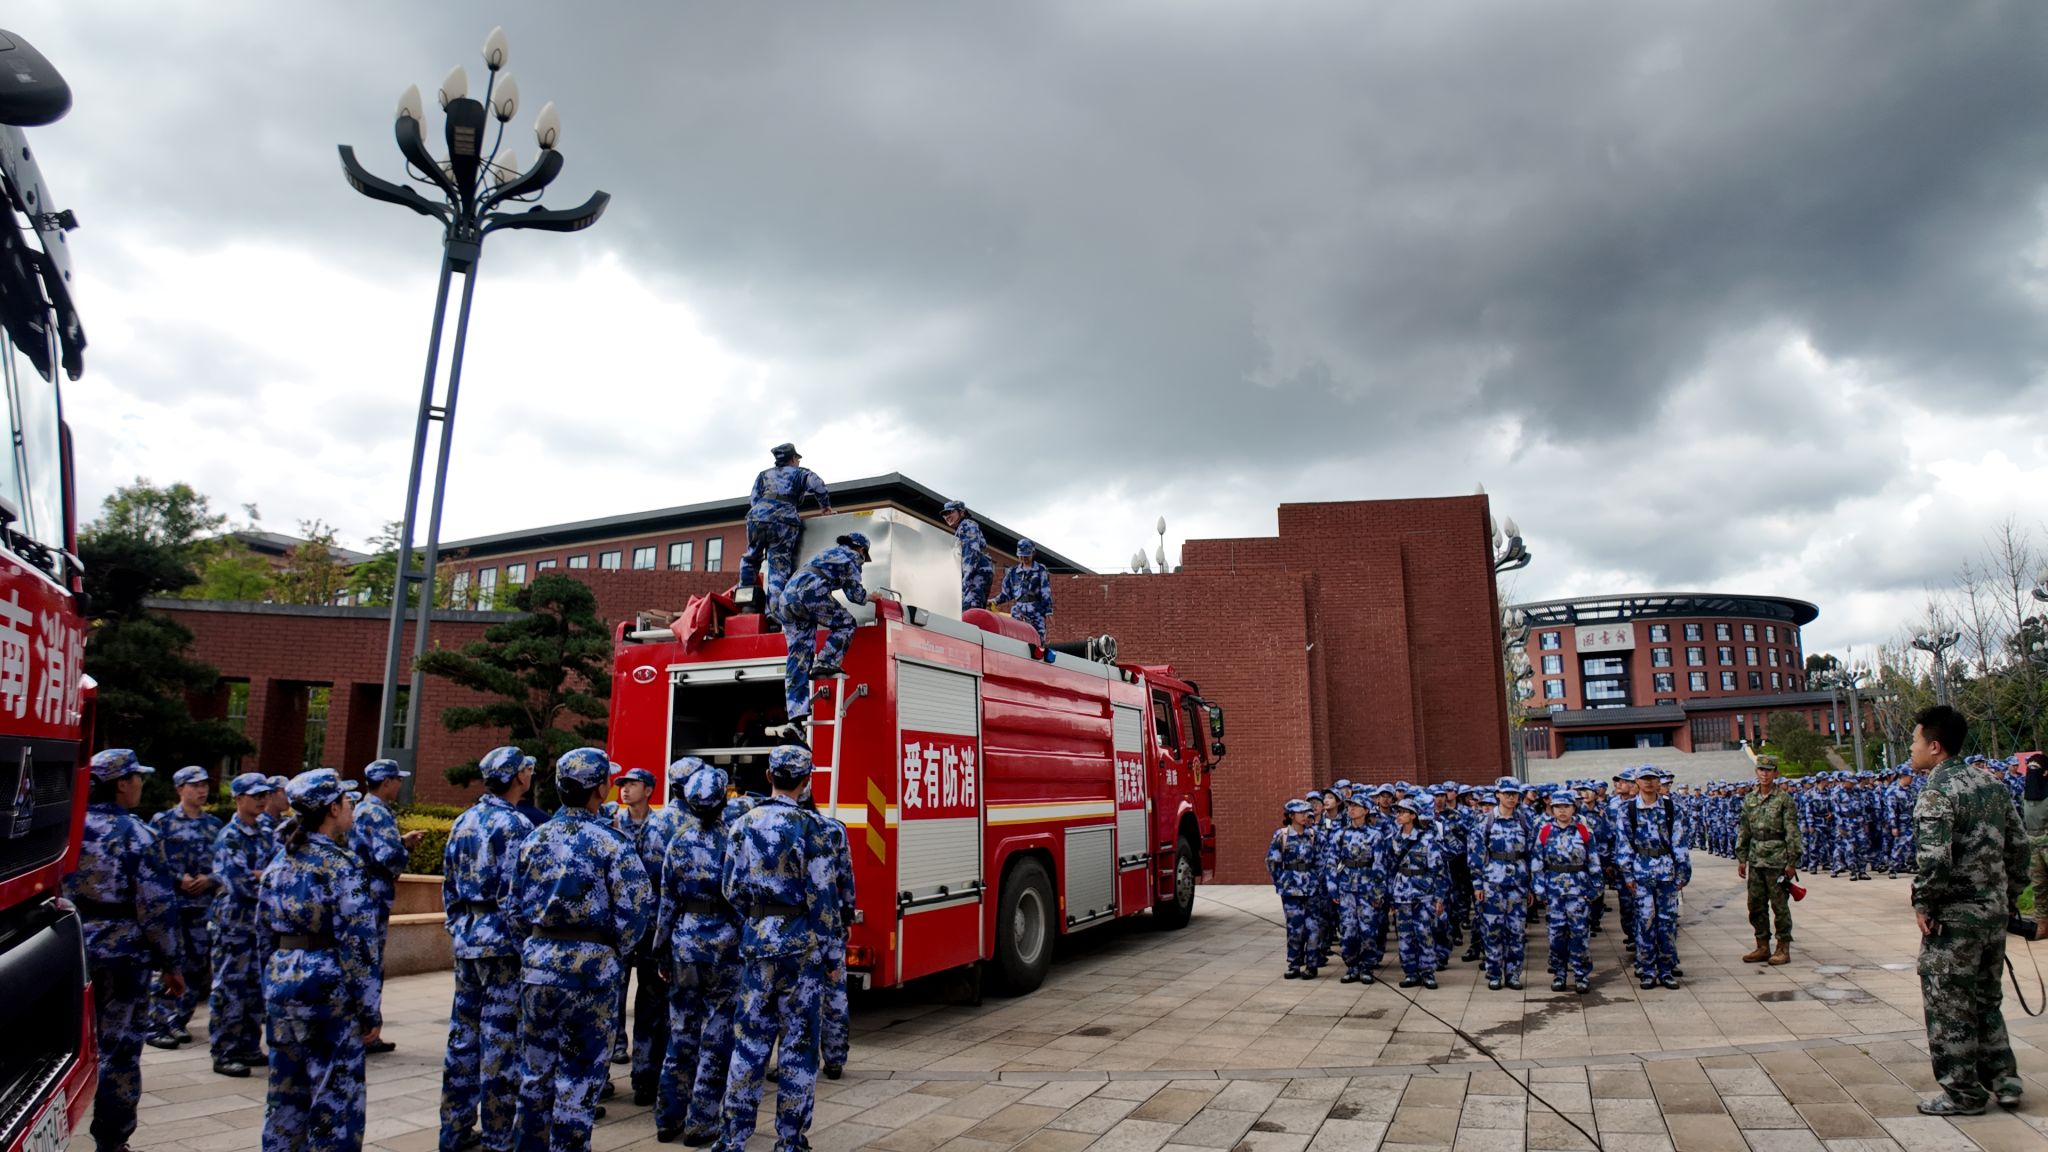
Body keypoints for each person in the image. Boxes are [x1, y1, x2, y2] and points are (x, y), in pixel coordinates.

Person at [510, 748, 654, 1152]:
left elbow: (514, 908)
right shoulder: (611, 841)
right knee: (579, 1078)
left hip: (539, 968)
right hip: (591, 973)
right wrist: (611, 951)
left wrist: (538, 947)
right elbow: (638, 908)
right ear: (599, 790)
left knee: (536, 1075)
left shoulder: (533, 838)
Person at [1908, 704, 2031, 1116]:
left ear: (1936, 747)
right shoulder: (1990, 785)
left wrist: (1925, 902)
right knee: (1985, 999)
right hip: (1992, 915)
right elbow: (2019, 847)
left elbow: (1934, 859)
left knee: (1949, 1005)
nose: (1912, 747)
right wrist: (2007, 896)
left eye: (1915, 740)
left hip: (1955, 919)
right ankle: (2005, 1082)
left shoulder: (1937, 791)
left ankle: (1963, 1093)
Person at [69, 750, 186, 1152]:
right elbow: (156, 909)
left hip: (70, 953)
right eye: (137, 778)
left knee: (66, 1049)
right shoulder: (138, 835)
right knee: (118, 1053)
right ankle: (112, 1141)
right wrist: (172, 964)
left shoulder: (67, 828)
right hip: (123, 959)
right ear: (121, 783)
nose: (140, 784)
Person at [259, 768, 378, 1152]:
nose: (351, 808)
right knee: (335, 1099)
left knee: (285, 1095)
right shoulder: (341, 865)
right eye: (346, 801)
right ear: (332, 808)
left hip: (281, 980)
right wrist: (368, 1009)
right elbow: (359, 944)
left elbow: (262, 932)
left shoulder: (279, 860)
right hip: (326, 987)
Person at [718, 745, 827, 1152]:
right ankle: (790, 1140)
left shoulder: (743, 824)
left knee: (748, 1045)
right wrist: (832, 957)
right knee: (798, 1048)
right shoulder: (812, 827)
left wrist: (760, 918)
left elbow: (731, 889)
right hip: (801, 949)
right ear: (806, 780)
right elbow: (823, 900)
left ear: (768, 775)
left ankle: (733, 1138)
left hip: (758, 943)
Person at [439, 746, 537, 1152]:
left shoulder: (464, 820)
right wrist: (524, 944)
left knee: (463, 1039)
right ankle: (499, 1136)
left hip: (468, 940)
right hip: (502, 948)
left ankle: (455, 1130)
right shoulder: (514, 825)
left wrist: (459, 927)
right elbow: (519, 898)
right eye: (527, 769)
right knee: (501, 1043)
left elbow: (448, 887)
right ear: (517, 777)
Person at [654, 761, 740, 1146]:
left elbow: (666, 902)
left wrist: (660, 950)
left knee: (680, 1033)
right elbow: (742, 900)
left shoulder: (679, 841)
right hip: (725, 950)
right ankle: (702, 1120)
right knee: (717, 1036)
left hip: (684, 946)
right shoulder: (734, 840)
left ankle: (668, 1117)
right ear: (723, 800)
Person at [608, 765, 681, 1103]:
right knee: (610, 1000)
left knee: (652, 1004)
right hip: (616, 928)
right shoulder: (610, 823)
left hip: (652, 927)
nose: (624, 789)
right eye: (622, 784)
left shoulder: (663, 827)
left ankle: (646, 1077)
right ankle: (604, 1069)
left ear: (649, 789)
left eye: (633, 784)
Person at [350, 758, 424, 1056]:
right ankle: (367, 1032)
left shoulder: (364, 808)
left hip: (366, 893)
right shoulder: (377, 813)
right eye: (396, 779)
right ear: (386, 782)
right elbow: (387, 857)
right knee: (369, 963)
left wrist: (401, 842)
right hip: (373, 895)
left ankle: (365, 1029)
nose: (400, 784)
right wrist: (400, 853)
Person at [209, 772, 279, 1078]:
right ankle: (224, 1050)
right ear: (238, 799)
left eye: (265, 794)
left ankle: (250, 1046)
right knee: (230, 989)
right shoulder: (230, 836)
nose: (263, 799)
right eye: (255, 795)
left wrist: (261, 876)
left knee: (255, 988)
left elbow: (279, 872)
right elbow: (241, 885)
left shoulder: (267, 830)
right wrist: (262, 878)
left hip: (260, 926)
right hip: (234, 925)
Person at [148, 765, 222, 1050]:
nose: (201, 790)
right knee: (170, 963)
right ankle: (158, 1022)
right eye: (195, 785)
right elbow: (152, 862)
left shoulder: (213, 825)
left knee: (197, 966)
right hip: (174, 906)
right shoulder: (162, 822)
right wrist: (179, 879)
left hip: (202, 906)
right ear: (180, 789)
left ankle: (179, 1020)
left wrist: (210, 879)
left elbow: (225, 865)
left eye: (204, 785)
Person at [774, 532, 870, 729]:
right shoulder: (851, 557)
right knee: (846, 623)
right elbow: (855, 595)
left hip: (786, 601)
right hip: (810, 593)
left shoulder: (827, 553)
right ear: (861, 549)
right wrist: (872, 597)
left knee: (799, 657)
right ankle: (826, 662)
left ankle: (796, 715)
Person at [738, 442, 833, 623]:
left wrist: (764, 512)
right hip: (784, 519)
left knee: (751, 557)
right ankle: (773, 612)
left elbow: (754, 498)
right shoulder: (801, 473)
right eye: (797, 458)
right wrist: (825, 506)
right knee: (778, 565)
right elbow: (818, 485)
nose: (798, 461)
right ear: (793, 458)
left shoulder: (763, 475)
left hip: (757, 517)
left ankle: (746, 603)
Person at [1614, 768, 1689, 990]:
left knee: (1666, 922)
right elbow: (1624, 844)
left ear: (1659, 782)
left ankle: (1666, 969)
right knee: (1645, 921)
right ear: (1636, 782)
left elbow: (1679, 840)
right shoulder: (1628, 810)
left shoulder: (1670, 807)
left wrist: (1682, 871)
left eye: (1653, 779)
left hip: (1666, 871)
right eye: (1644, 779)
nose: (1648, 783)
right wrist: (1627, 874)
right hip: (1641, 872)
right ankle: (1646, 969)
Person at [1735, 755, 1801, 966]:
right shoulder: (1749, 799)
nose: (1764, 773)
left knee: (1779, 906)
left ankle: (1783, 947)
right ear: (1757, 772)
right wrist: (1742, 857)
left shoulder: (1784, 800)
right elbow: (1744, 830)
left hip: (1777, 859)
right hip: (1755, 859)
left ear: (1775, 773)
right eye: (1761, 769)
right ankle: (1762, 945)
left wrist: (1792, 862)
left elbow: (1792, 832)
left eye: (1768, 770)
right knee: (1755, 905)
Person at [1468, 781, 1534, 991]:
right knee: (1493, 930)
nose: (1511, 798)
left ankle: (1513, 974)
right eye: (1507, 794)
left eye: (1514, 794)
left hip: (1518, 884)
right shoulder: (1485, 821)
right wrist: (1478, 885)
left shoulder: (1525, 820)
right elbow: (1475, 856)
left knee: (1516, 931)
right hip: (1492, 884)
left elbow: (1532, 855)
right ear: (1498, 794)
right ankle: (1494, 973)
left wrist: (1532, 885)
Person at [1534, 792, 1599, 994]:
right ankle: (1559, 973)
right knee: (1556, 936)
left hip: (1578, 891)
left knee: (1579, 935)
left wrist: (1594, 889)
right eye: (1558, 807)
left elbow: (1594, 862)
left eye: (1566, 806)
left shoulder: (1584, 831)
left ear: (1574, 808)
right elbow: (1537, 865)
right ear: (1552, 809)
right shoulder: (1544, 832)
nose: (1562, 810)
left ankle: (1581, 975)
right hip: (1554, 892)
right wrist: (1540, 891)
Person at [1385, 798, 1444, 990]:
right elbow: (1390, 868)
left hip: (1423, 893)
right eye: (1398, 811)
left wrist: (1439, 896)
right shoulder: (1394, 839)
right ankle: (1410, 972)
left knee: (1424, 933)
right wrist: (1390, 894)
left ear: (1413, 815)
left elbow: (1439, 870)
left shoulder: (1427, 839)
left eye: (1403, 811)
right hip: (1401, 894)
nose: (1399, 815)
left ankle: (1428, 972)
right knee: (1404, 934)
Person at [1329, 790, 1382, 984]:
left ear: (1366, 811)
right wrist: (1333, 887)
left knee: (1368, 930)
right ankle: (1352, 966)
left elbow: (1379, 866)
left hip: (1367, 889)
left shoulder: (1375, 835)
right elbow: (1331, 863)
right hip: (1346, 888)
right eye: (1349, 806)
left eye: (1356, 806)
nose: (1351, 809)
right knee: (1348, 930)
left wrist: (1378, 893)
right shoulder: (1340, 834)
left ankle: (1367, 967)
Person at [1267, 799, 1321, 978]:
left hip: (1311, 888)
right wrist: (1280, 882)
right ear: (1291, 816)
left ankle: (1312, 965)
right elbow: (1272, 862)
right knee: (1294, 928)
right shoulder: (1281, 836)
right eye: (1301, 813)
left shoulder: (1313, 835)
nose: (1306, 816)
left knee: (1312, 927)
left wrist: (1318, 881)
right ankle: (1294, 964)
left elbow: (1322, 861)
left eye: (1307, 813)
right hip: (1290, 888)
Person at [991, 538, 1054, 653]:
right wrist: (994, 601)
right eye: (1021, 556)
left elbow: (1045, 591)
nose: (1024, 559)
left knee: (1039, 643)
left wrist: (1048, 611)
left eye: (1026, 556)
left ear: (1033, 553)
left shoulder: (1040, 570)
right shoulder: (1012, 572)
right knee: (1017, 640)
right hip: (1019, 610)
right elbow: (1007, 593)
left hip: (1036, 610)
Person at [942, 499, 994, 613]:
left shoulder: (968, 525)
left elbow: (971, 553)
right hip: (973, 576)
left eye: (950, 512)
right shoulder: (960, 529)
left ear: (961, 512)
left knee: (970, 611)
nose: (947, 516)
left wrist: (964, 580)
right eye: (944, 514)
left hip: (975, 576)